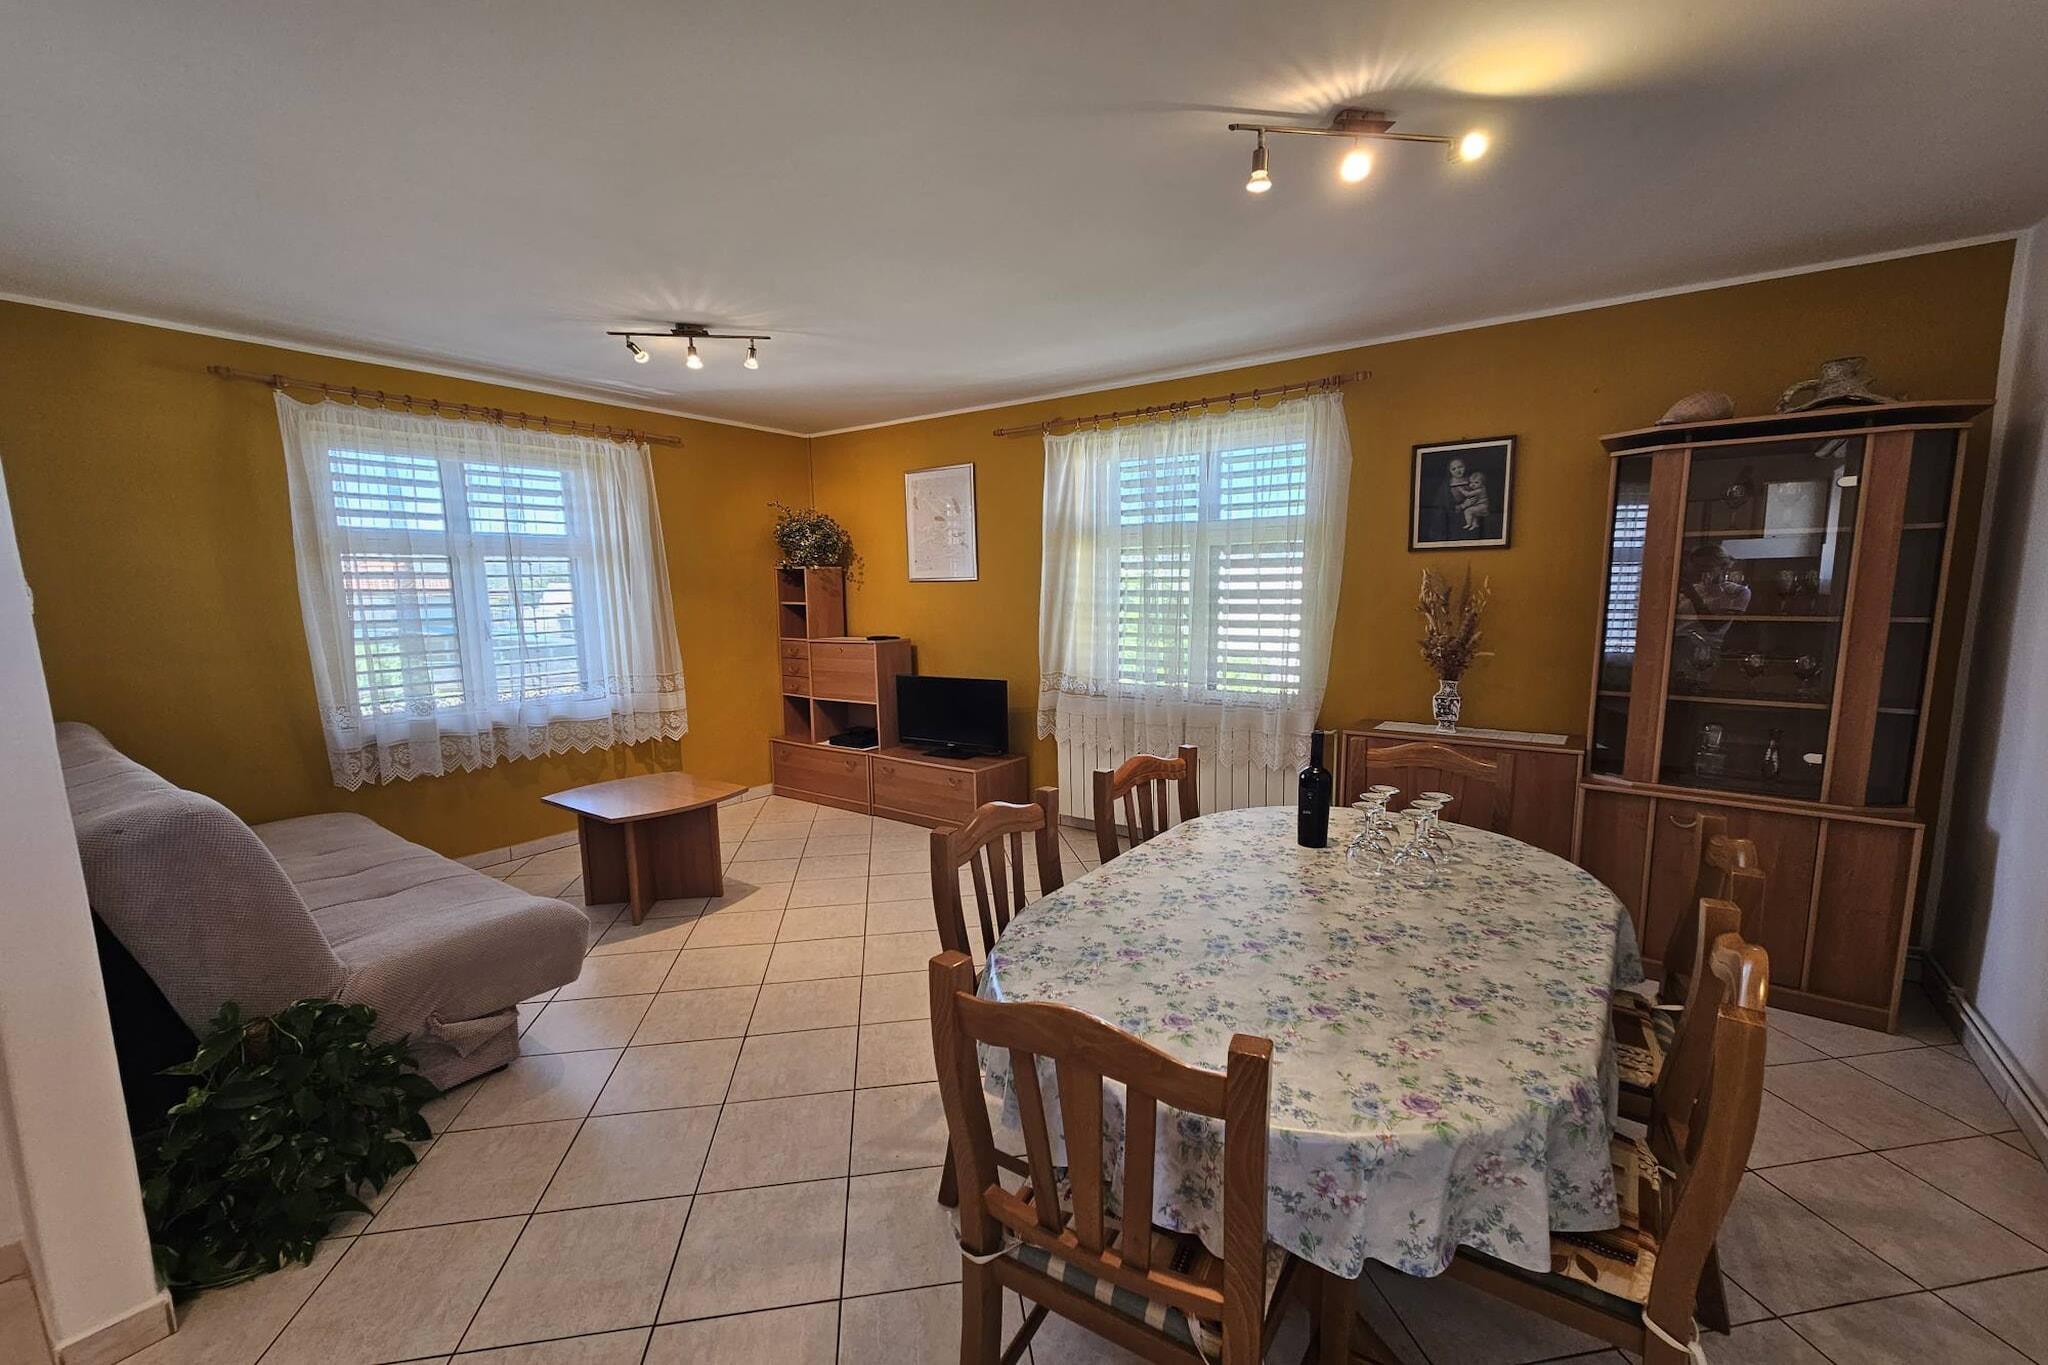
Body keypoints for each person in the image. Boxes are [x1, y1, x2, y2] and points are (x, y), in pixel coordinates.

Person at [1446, 457, 1490, 534]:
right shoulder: (1446, 486)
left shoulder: (1472, 480)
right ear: (1449, 471)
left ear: (1465, 467)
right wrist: (1462, 506)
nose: (1458, 471)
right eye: (1454, 469)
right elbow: (1443, 508)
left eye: (1460, 467)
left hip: (1475, 512)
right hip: (1454, 520)